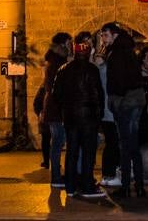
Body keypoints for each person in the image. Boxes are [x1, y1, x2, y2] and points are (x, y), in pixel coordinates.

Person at [52, 31, 106, 199]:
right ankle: (88, 186)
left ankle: (70, 186)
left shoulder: (64, 69)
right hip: (88, 116)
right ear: (87, 51)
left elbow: (56, 94)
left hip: (70, 116)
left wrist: (65, 109)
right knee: (88, 151)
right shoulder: (92, 70)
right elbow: (99, 94)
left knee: (72, 151)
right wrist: (99, 115)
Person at [101, 23, 144, 199]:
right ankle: (139, 186)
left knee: (125, 145)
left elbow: (118, 79)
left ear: (114, 35)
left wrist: (114, 100)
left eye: (105, 35)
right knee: (133, 144)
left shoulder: (116, 52)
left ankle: (126, 186)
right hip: (135, 100)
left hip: (124, 101)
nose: (103, 38)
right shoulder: (128, 49)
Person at [38, 32, 70, 180]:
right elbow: (57, 89)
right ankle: (56, 176)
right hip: (56, 108)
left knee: (57, 142)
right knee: (57, 142)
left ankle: (56, 174)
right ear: (63, 44)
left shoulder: (54, 60)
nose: (71, 46)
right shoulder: (58, 63)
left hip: (54, 107)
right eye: (69, 43)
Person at [91, 37, 119, 188]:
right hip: (109, 111)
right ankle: (108, 174)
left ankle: (109, 174)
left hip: (108, 111)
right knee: (112, 143)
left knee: (112, 143)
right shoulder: (103, 68)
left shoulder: (101, 68)